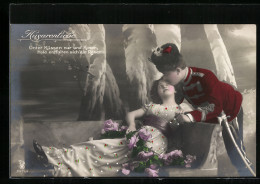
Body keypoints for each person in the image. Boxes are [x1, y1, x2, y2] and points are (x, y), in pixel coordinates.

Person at [33, 77, 192, 177]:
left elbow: (195, 118)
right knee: (97, 146)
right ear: (157, 91)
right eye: (160, 85)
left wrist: (182, 119)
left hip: (155, 144)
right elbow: (130, 114)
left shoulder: (182, 107)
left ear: (175, 88)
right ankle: (52, 156)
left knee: (111, 155)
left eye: (167, 84)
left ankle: (54, 159)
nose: (163, 86)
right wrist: (131, 125)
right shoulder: (151, 106)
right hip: (135, 138)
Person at [149, 42, 254, 176]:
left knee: (235, 149)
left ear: (178, 70)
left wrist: (190, 116)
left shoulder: (205, 76)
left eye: (166, 73)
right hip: (210, 114)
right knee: (200, 142)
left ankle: (248, 174)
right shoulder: (178, 83)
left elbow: (216, 106)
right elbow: (173, 102)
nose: (164, 77)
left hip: (229, 110)